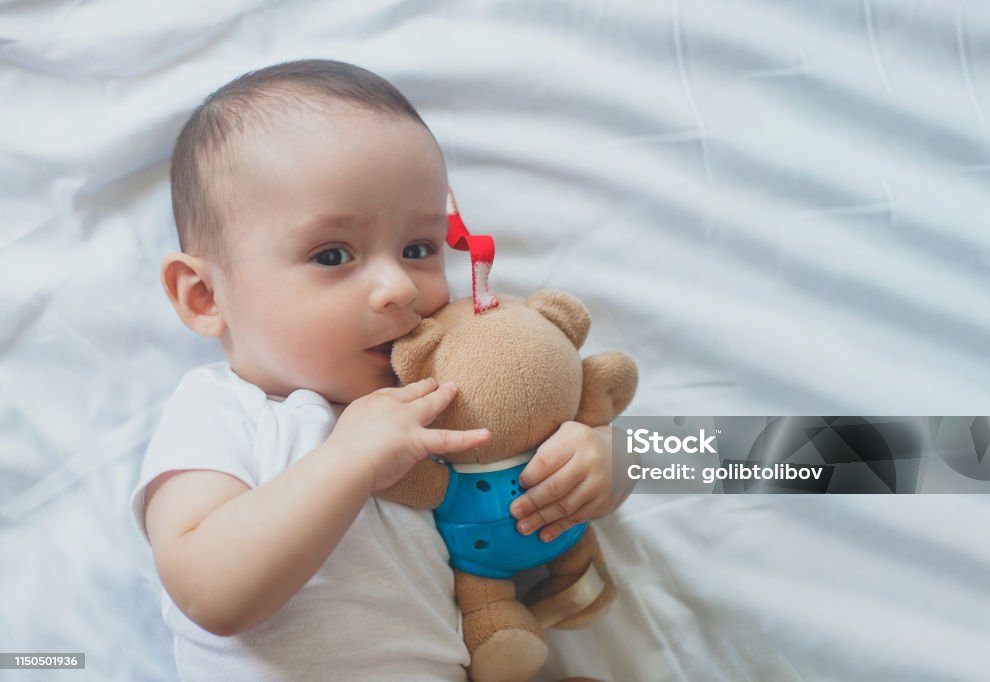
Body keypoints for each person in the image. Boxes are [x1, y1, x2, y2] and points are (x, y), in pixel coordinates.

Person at [129, 59, 623, 681]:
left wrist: (615, 461)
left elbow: (764, 456)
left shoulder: (443, 396)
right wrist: (349, 461)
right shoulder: (221, 409)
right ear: (204, 296)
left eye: (418, 249)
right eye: (332, 254)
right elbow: (209, 595)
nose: (397, 287)